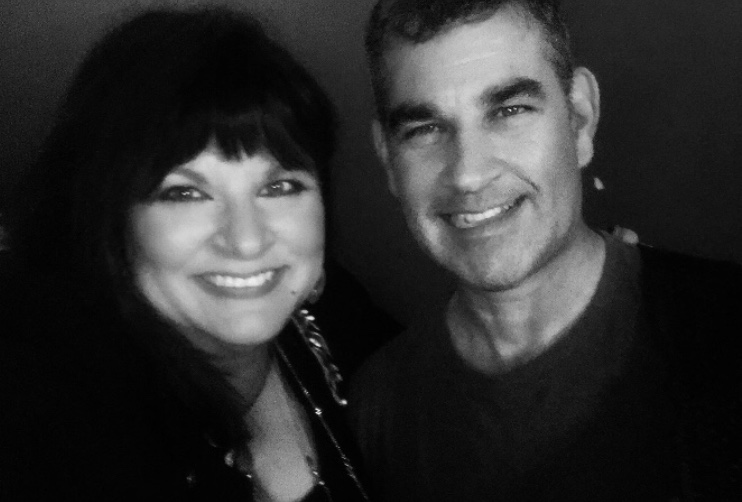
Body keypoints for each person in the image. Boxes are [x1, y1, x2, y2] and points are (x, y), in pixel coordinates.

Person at [349, 0, 742, 500]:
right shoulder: (375, 411)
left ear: (579, 119)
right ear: (387, 158)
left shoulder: (727, 333)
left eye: (509, 111)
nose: (468, 174)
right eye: (425, 129)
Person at [0, 7, 396, 501]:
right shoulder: (47, 415)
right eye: (185, 193)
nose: (247, 241)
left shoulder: (339, 318)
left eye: (279, 186)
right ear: (111, 217)